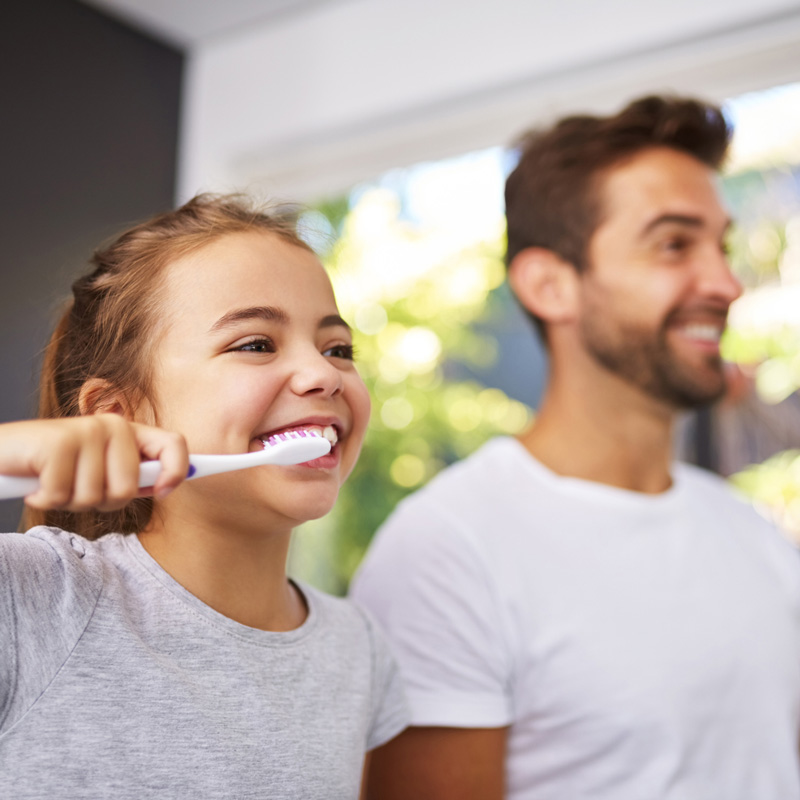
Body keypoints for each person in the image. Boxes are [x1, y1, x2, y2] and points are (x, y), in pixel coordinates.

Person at [350, 96, 800, 799]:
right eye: (675, 244)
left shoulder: (752, 536)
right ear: (550, 285)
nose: (725, 283)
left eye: (723, 246)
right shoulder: (447, 552)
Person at [0, 194, 407, 799]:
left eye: (338, 349)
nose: (323, 374)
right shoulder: (31, 598)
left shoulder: (359, 651)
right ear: (116, 413)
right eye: (255, 343)